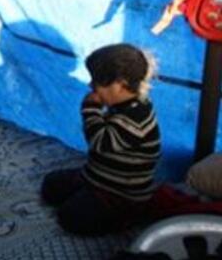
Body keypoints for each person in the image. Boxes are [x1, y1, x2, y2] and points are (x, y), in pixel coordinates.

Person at [41, 43, 161, 235]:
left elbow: (98, 142)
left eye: (97, 81)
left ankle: (128, 218)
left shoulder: (134, 119)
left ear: (120, 83)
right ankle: (86, 192)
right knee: (52, 185)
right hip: (95, 177)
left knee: (72, 217)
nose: (91, 86)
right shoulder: (125, 104)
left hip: (121, 195)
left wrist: (90, 110)